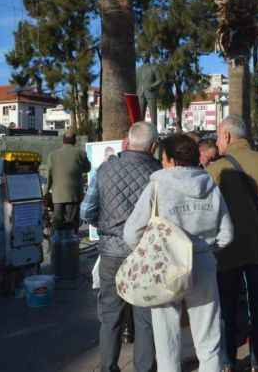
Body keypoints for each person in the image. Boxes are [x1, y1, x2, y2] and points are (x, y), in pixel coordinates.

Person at [124, 134, 234, 372]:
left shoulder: (156, 187)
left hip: (166, 264)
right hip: (203, 263)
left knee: (167, 340)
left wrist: (148, 251)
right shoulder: (211, 187)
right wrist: (205, 249)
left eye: (163, 157)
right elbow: (227, 234)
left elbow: (131, 232)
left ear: (171, 160)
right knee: (209, 337)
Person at [206, 116, 258, 372]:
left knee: (228, 308)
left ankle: (229, 361)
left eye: (219, 136)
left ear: (228, 136)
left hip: (226, 251)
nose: (218, 142)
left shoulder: (216, 169)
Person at [80, 122, 160, 372]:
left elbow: (86, 210)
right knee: (145, 318)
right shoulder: (158, 173)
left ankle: (108, 366)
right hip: (144, 255)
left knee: (110, 316)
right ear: (153, 146)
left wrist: (104, 226)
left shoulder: (105, 169)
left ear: (127, 142)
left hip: (111, 252)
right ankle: (144, 368)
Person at [47, 130, 91, 231]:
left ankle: (57, 244)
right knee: (72, 224)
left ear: (63, 141)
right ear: (74, 141)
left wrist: (46, 193)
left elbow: (49, 175)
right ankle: (72, 244)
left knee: (57, 224)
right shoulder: (81, 153)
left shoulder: (52, 155)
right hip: (74, 195)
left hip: (57, 196)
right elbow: (87, 168)